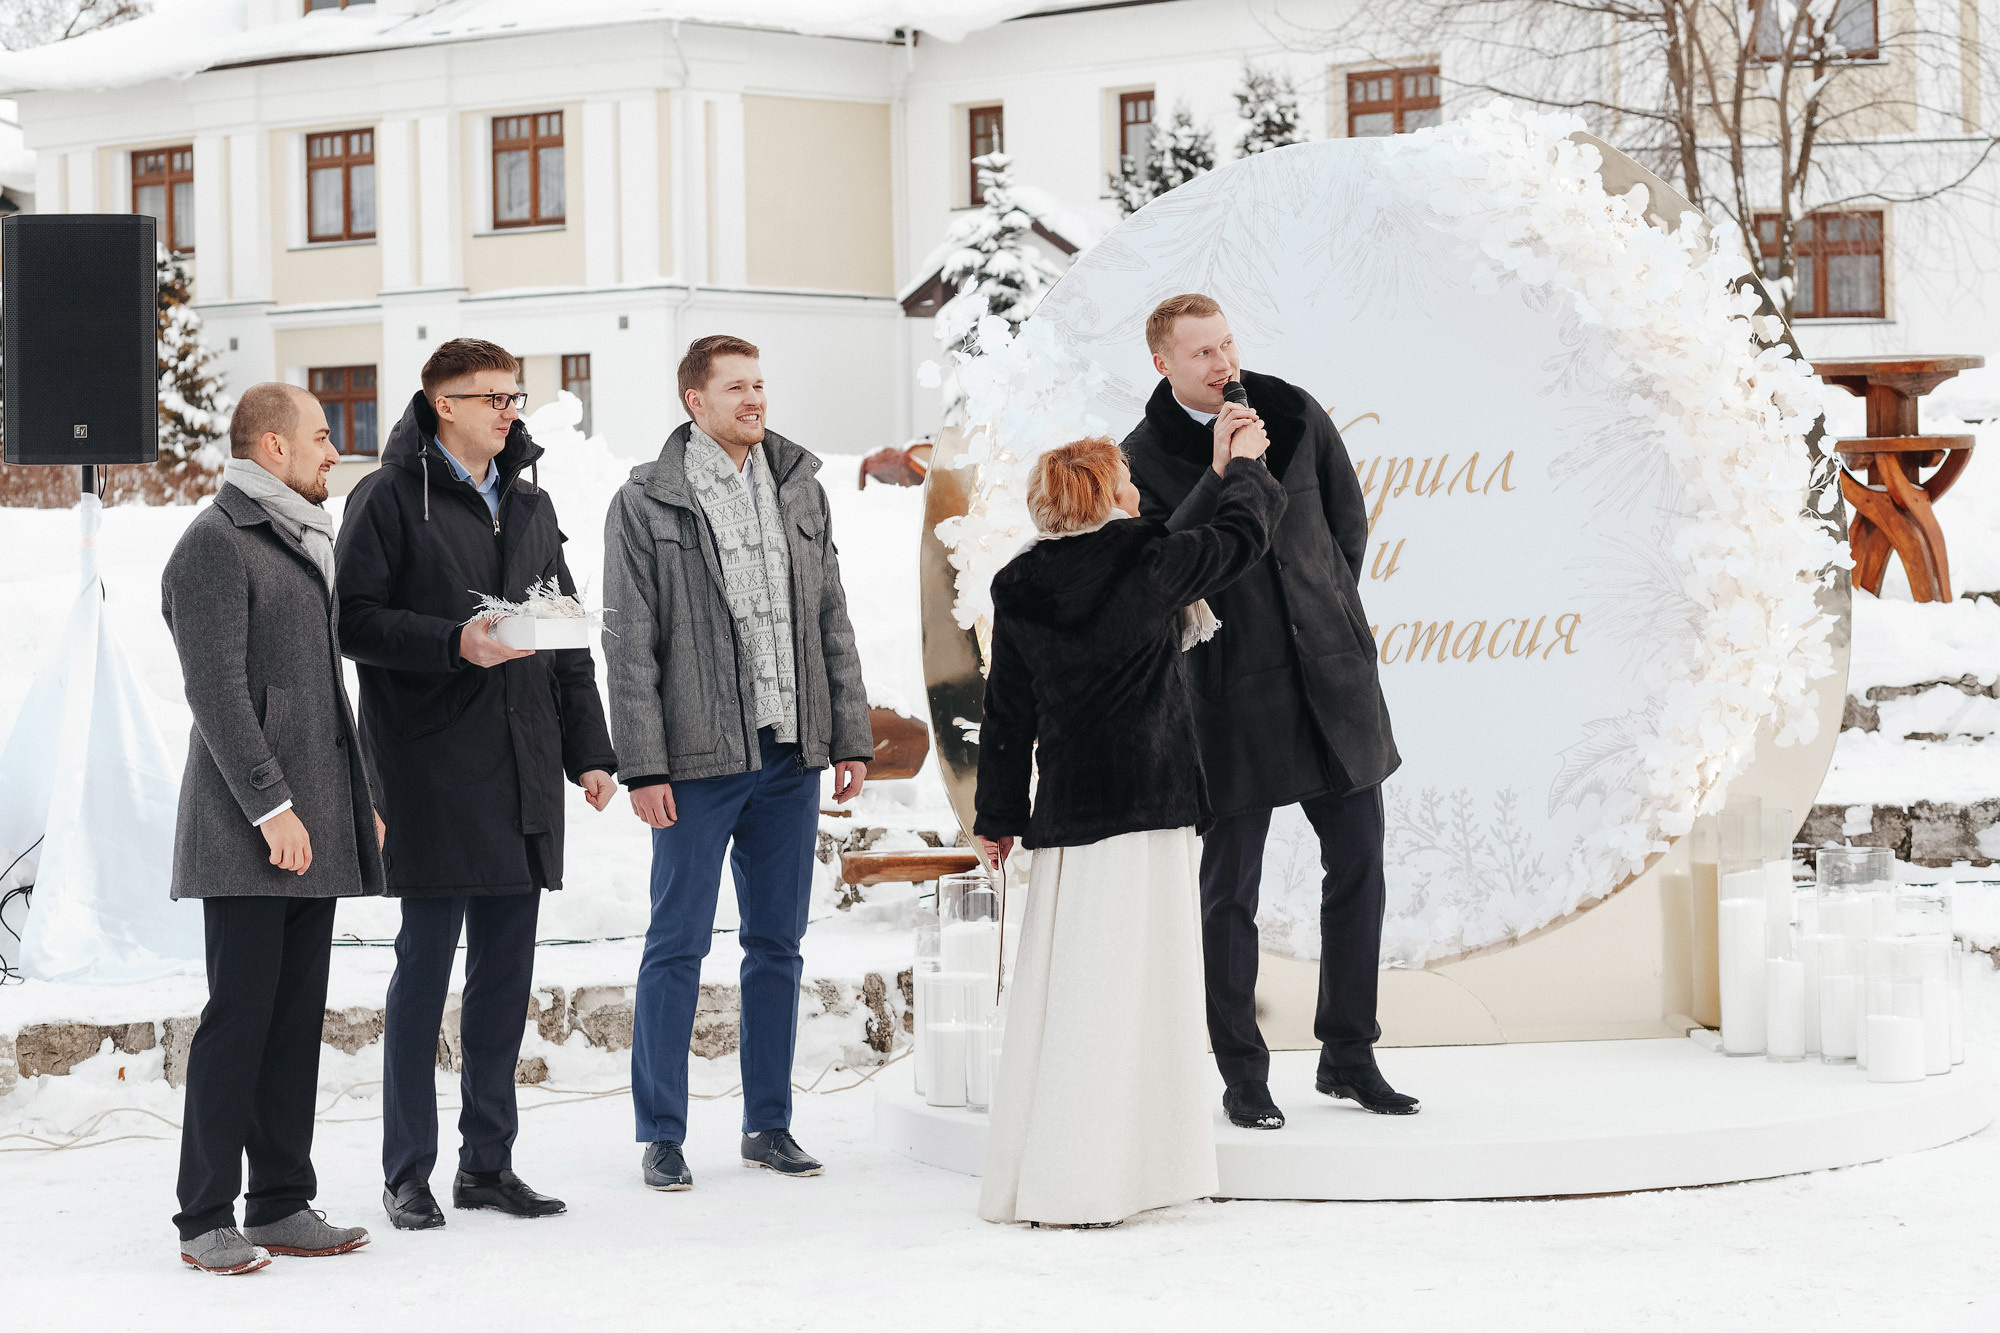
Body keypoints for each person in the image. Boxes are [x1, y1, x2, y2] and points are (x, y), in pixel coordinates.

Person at [335, 339, 619, 1230]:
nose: (509, 409)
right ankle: (407, 1172)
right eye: (491, 395)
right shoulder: (388, 497)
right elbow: (354, 622)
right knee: (425, 971)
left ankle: (488, 1164)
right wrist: (455, 642)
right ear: (440, 402)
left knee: (505, 977)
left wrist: (592, 751)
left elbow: (566, 634)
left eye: (514, 393)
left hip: (525, 766)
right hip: (429, 766)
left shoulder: (531, 502)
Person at [972, 432, 1285, 1227]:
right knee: (1138, 993)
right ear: (1106, 494)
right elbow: (1245, 538)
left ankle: (1068, 1169)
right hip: (1148, 810)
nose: (1141, 493)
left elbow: (1007, 714)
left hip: (1072, 818)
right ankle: (1110, 1175)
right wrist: (1245, 467)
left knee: (1078, 992)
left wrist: (998, 818)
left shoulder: (1020, 583)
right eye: (1129, 483)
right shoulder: (1146, 561)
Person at [1122, 293, 1415, 1129]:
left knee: (1359, 865)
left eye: (1226, 346)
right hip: (1227, 698)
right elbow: (1159, 572)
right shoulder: (1140, 456)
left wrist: (1328, 618)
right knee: (1230, 894)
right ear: (1163, 364)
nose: (1222, 365)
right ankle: (1242, 1072)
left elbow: (1346, 524)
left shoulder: (1289, 407)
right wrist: (1218, 473)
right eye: (1200, 353)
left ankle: (1350, 1056)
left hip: (1333, 682)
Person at [602, 334, 872, 1191]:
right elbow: (629, 644)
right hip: (695, 759)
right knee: (676, 943)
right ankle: (663, 1132)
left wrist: (851, 735)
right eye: (737, 387)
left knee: (776, 944)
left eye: (761, 384)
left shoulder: (800, 486)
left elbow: (831, 614)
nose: (756, 399)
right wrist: (644, 765)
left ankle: (769, 1123)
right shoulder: (646, 501)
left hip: (789, 754)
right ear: (696, 400)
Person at [162, 382, 384, 1274]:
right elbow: (217, 695)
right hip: (247, 828)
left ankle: (282, 1201)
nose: (336, 449)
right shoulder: (215, 545)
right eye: (322, 435)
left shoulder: (300, 537)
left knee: (294, 1019)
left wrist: (349, 794)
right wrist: (271, 805)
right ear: (271, 447)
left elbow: (319, 694)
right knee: (240, 1018)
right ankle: (203, 1214)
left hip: (312, 819)